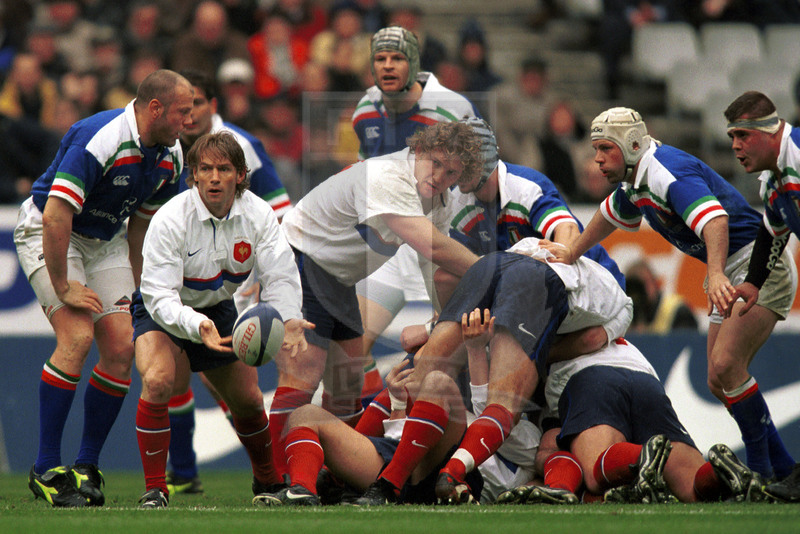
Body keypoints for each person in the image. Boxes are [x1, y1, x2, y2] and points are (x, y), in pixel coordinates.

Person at [542, 106, 798, 482]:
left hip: (757, 267)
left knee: (727, 365)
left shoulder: (663, 170)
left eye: (604, 149)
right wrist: (572, 251)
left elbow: (715, 219)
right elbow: (607, 215)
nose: (596, 159)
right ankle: (783, 466)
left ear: (630, 145)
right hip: (732, 267)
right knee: (717, 378)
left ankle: (761, 471)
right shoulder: (636, 179)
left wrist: (712, 274)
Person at [14, 69, 194, 507]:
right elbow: (57, 214)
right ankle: (45, 469)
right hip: (49, 232)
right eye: (183, 111)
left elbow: (141, 225)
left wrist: (142, 288)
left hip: (105, 241)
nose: (189, 120)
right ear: (155, 108)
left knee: (119, 347)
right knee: (76, 337)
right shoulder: (101, 138)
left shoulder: (172, 155)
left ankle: (86, 465)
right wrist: (64, 285)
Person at [270, 121, 484, 479]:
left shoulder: (438, 199)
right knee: (302, 374)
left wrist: (440, 317)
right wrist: (493, 271)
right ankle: (274, 478)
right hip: (299, 257)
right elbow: (432, 245)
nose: (440, 176)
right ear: (417, 152)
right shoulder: (387, 175)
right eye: (435, 162)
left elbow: (434, 265)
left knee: (348, 383)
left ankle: (334, 475)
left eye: (452, 172)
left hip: (338, 277)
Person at [132, 131, 312, 508]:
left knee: (247, 400)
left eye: (224, 169)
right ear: (193, 175)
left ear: (241, 176)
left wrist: (290, 319)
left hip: (218, 307)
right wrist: (195, 325)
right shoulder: (170, 219)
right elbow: (158, 294)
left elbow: (279, 273)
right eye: (206, 169)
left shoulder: (258, 213)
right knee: (159, 380)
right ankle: (155, 490)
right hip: (163, 307)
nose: (214, 177)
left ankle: (266, 481)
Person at [410, 237, 633, 503]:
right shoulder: (619, 306)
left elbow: (444, 279)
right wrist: (532, 355)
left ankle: (386, 484)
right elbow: (590, 340)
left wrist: (433, 331)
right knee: (505, 406)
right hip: (534, 286)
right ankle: (451, 474)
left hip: (494, 263)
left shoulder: (541, 247)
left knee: (417, 380)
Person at [253, 307, 540, 506]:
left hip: (445, 470)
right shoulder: (443, 349)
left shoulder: (503, 360)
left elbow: (484, 411)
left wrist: (475, 348)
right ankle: (303, 490)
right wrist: (398, 401)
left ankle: (385, 486)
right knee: (304, 415)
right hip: (400, 455)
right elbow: (410, 340)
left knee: (436, 382)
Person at [161, 69, 292, 495]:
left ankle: (266, 469)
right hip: (169, 276)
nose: (189, 112)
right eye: (183, 105)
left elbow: (279, 210)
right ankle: (182, 472)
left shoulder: (242, 147)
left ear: (213, 106)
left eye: (197, 102)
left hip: (217, 282)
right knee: (172, 374)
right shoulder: (162, 144)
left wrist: (260, 274)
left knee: (238, 391)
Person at [351, 26, 480, 402]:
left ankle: (467, 435)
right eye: (380, 58)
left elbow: (477, 178)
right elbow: (365, 172)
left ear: (415, 63)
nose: (388, 66)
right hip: (392, 245)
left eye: (397, 58)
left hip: (443, 240)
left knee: (455, 343)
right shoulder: (364, 110)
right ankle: (369, 439)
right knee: (352, 346)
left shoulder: (453, 108)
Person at [499, 337, 769, 504]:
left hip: (590, 378)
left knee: (594, 473)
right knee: (692, 488)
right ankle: (722, 470)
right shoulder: (604, 308)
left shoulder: (543, 323)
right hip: (645, 378)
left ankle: (641, 456)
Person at [723, 90, 800, 502]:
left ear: (769, 132)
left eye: (742, 135)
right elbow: (772, 232)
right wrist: (752, 282)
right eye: (731, 136)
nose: (735, 146)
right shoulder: (774, 179)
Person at [625, 259, 698, 333]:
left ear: (655, 283)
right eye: (634, 288)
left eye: (643, 284)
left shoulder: (677, 311)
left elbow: (687, 342)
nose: (639, 293)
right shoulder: (626, 316)